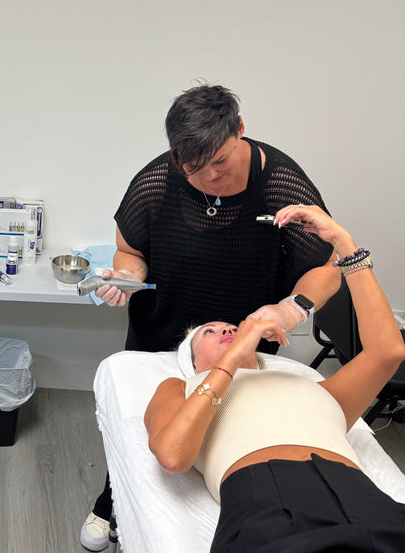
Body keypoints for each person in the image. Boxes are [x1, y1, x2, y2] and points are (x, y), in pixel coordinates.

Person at [81, 83, 340, 550]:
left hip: (238, 339)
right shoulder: (157, 181)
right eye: (194, 167)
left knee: (233, 426)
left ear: (239, 129)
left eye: (219, 161)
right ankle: (110, 502)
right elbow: (129, 251)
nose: (209, 177)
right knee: (145, 431)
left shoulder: (280, 184)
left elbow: (326, 268)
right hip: (161, 329)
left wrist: (292, 307)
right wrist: (126, 279)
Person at [143, 204, 405, 551]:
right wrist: (231, 361)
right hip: (266, 506)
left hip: (365, 502)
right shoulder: (183, 387)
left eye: (233, 327)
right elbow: (172, 456)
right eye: (210, 332)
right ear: (193, 364)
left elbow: (388, 352)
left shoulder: (312, 388)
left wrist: (344, 243)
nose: (227, 329)